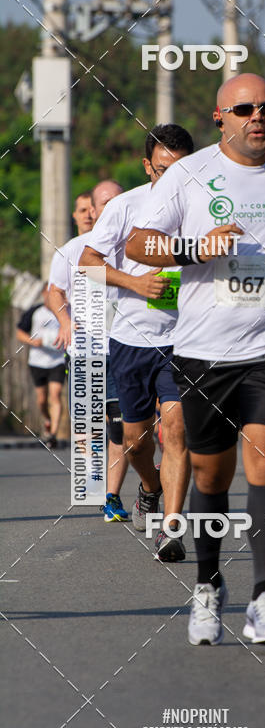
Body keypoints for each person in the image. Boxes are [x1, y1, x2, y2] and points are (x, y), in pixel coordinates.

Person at [125, 74, 265, 647]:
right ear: (221, 118)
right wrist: (195, 247)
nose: (258, 117)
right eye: (245, 109)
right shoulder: (189, 174)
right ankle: (208, 586)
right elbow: (139, 244)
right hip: (203, 350)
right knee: (212, 477)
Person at [79, 126, 194, 557]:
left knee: (177, 431)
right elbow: (88, 265)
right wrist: (134, 283)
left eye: (182, 170)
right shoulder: (125, 207)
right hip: (129, 340)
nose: (173, 179)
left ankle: (171, 528)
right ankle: (148, 487)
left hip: (183, 340)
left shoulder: (202, 207)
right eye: (164, 170)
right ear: (148, 166)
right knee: (134, 442)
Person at [48, 180, 130, 522]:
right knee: (86, 427)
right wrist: (64, 320)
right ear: (93, 210)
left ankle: (111, 496)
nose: (109, 209)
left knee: (121, 426)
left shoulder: (133, 247)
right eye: (103, 204)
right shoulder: (71, 250)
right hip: (86, 350)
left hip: (127, 348)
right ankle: (94, 474)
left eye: (117, 202)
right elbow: (54, 291)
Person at [16, 284, 65, 449]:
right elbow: (20, 332)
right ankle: (48, 419)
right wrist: (32, 341)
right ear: (44, 293)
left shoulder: (65, 312)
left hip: (58, 360)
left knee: (56, 395)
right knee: (42, 399)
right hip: (37, 361)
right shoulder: (35, 311)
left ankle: (52, 435)